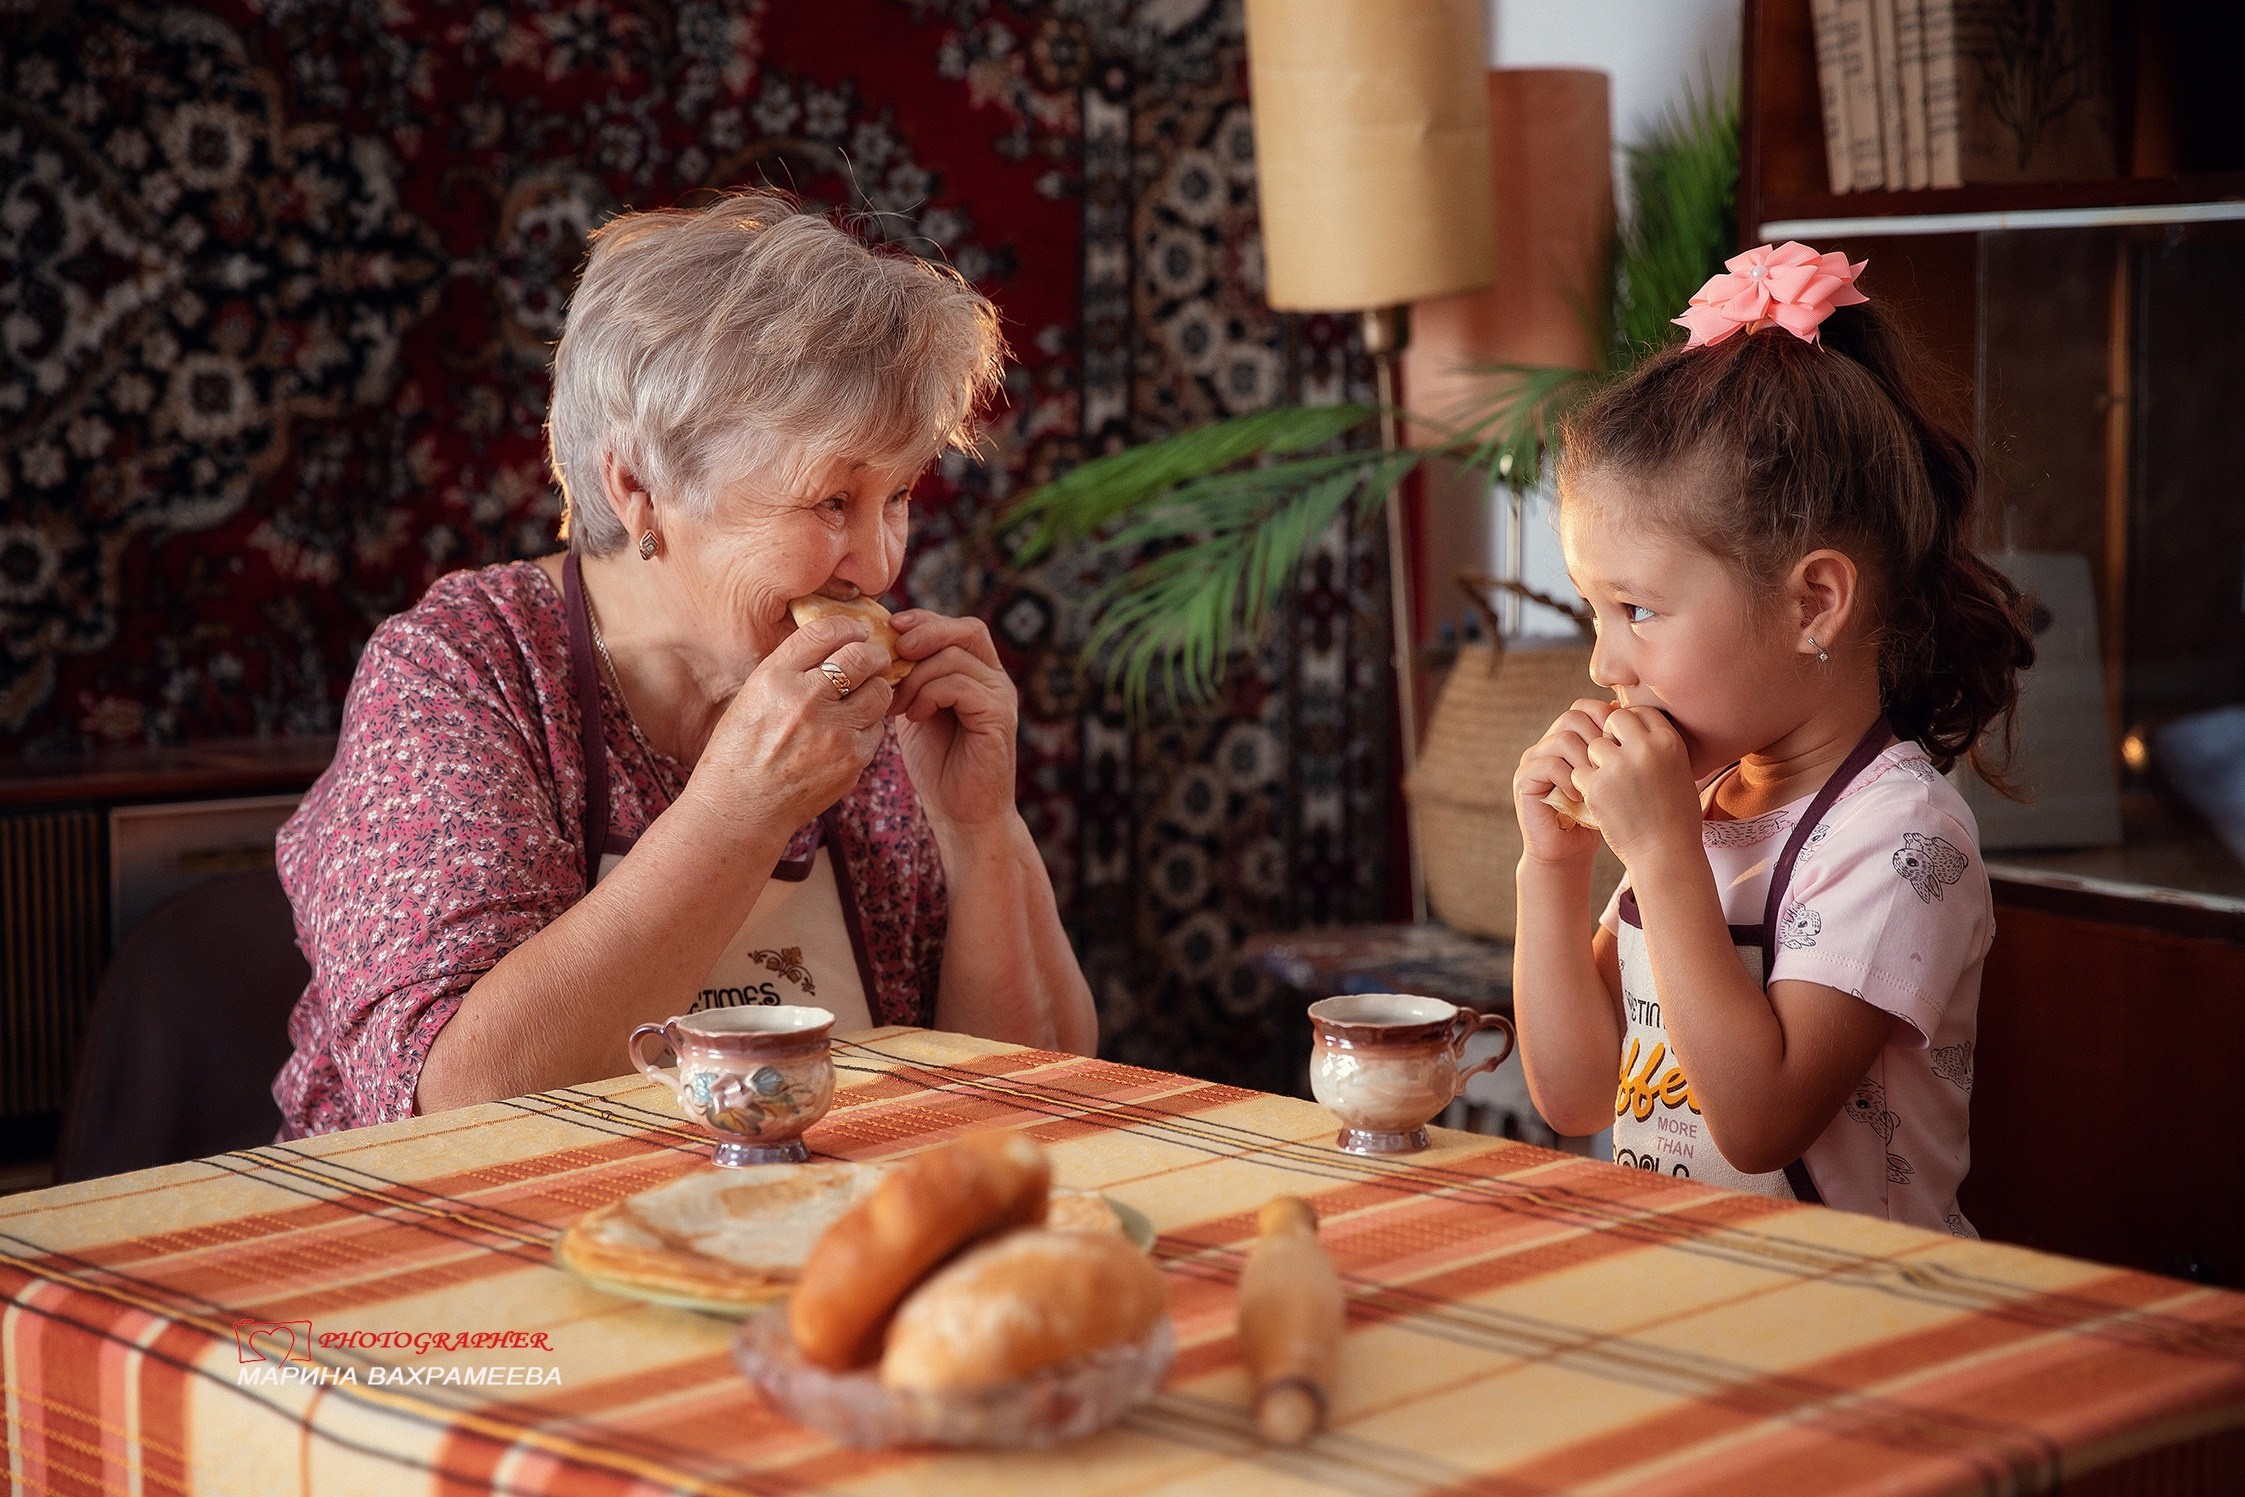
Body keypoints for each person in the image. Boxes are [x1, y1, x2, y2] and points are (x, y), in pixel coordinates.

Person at [273, 190, 1097, 1137]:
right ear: (640, 488)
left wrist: (977, 828)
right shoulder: (464, 670)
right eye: (832, 500)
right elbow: (458, 1102)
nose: (877, 564)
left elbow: (1047, 1100)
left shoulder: (879, 713)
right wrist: (740, 808)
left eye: (898, 496)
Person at [1510, 243, 2034, 1232]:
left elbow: (1758, 1123)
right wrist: (1553, 863)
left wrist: (1663, 853)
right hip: (1693, 1287)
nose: (1603, 666)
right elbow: (1576, 1094)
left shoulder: (1903, 837)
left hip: (1850, 1315)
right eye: (1594, 611)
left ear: (1814, 604)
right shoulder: (1698, 801)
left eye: (1638, 611)